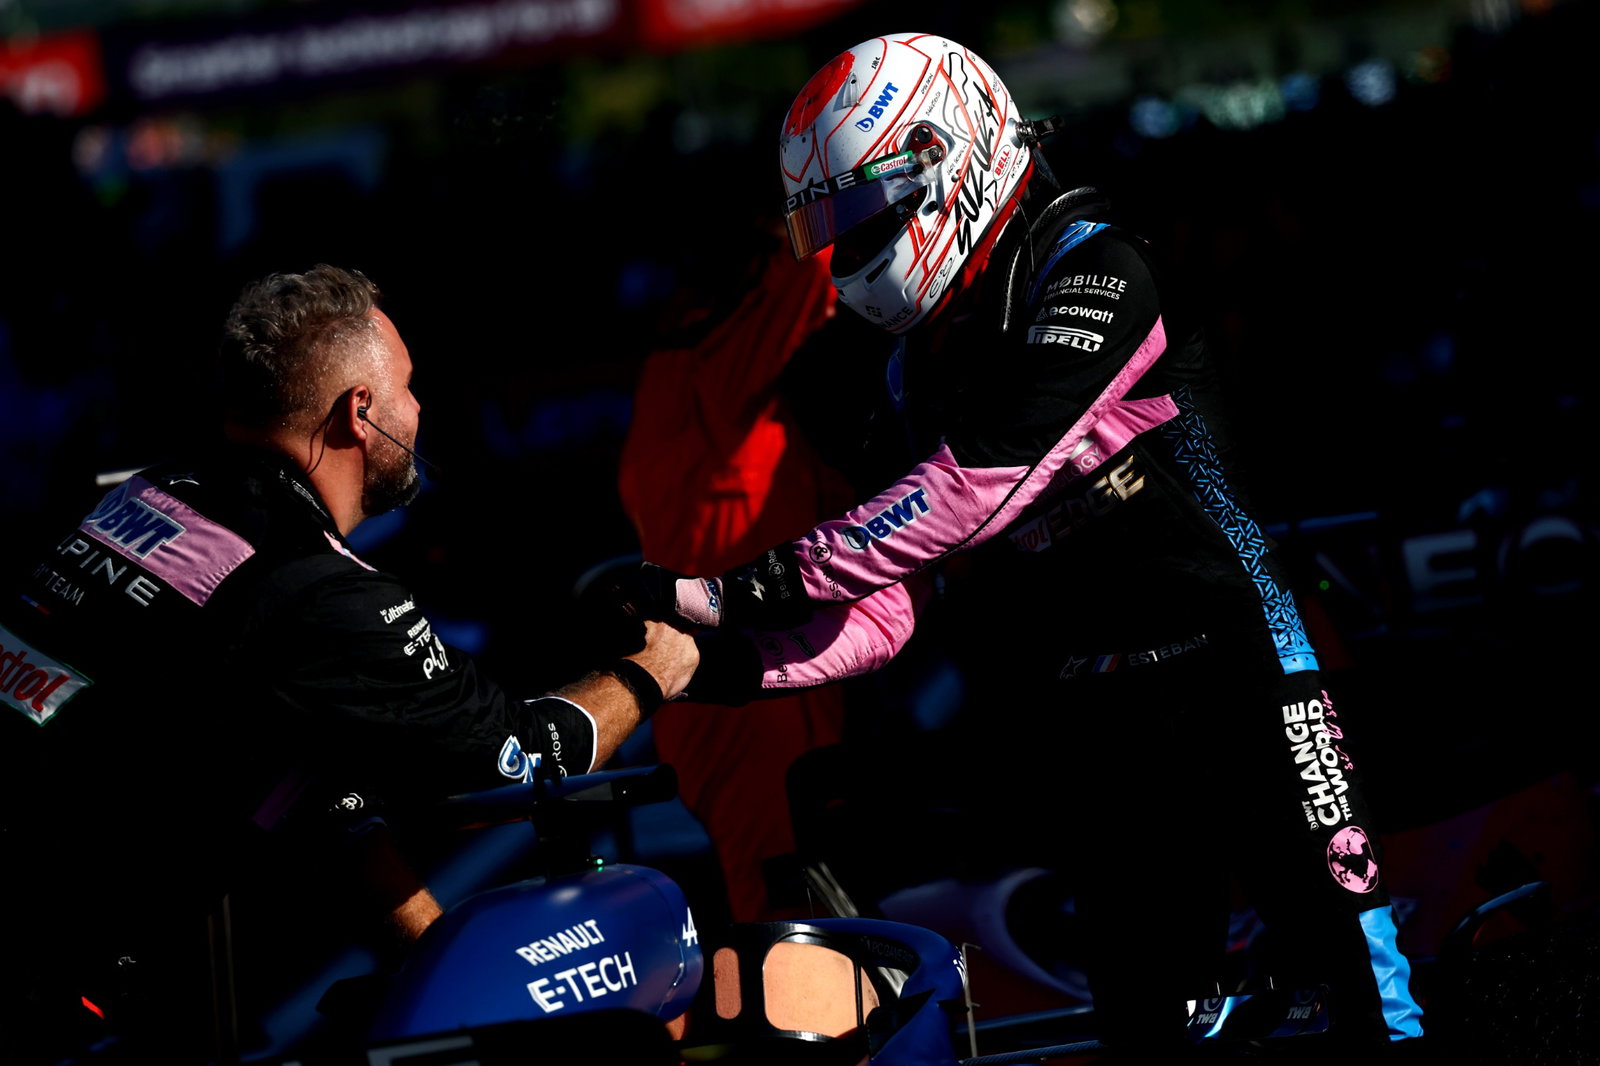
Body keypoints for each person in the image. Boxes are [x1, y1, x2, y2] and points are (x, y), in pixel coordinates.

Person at [623, 32, 1427, 1059]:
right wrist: (721, 659)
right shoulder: (918, 366)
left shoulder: (1101, 263)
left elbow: (984, 477)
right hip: (1103, 721)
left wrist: (741, 588)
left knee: (1373, 999)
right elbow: (889, 607)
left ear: (945, 154)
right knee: (1151, 1030)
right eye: (829, 227)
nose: (847, 252)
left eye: (862, 214)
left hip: (1246, 676)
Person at [0, 264, 698, 1065]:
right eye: (408, 383)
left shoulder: (151, 493)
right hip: (58, 991)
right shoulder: (319, 596)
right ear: (360, 413)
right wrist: (656, 667)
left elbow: (307, 784)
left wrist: (434, 961)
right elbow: (514, 765)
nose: (421, 407)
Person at [616, 213, 863, 923]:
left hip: (724, 686)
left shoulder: (677, 377)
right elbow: (820, 257)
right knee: (791, 919)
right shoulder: (715, 366)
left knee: (797, 903)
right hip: (748, 694)